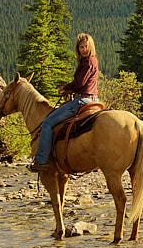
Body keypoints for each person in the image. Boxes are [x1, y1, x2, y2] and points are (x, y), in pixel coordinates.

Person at [34, 33, 102, 167]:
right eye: (81, 47)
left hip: (82, 101)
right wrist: (71, 90)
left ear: (91, 47)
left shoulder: (87, 62)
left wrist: (66, 88)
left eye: (86, 47)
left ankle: (41, 160)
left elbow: (80, 83)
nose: (83, 50)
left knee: (47, 123)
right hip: (93, 99)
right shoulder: (93, 60)